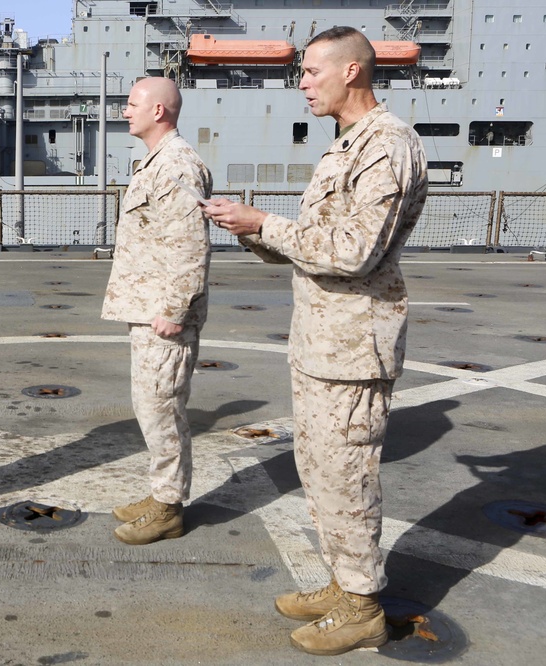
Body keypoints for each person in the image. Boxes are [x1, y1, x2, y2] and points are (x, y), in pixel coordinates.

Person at [203, 27, 428, 656]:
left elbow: (353, 254)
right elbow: (315, 244)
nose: (300, 83)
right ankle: (342, 582)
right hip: (322, 340)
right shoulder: (345, 147)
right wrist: (249, 230)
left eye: (310, 72)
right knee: (321, 471)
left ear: (351, 71)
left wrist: (264, 222)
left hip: (355, 347)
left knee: (348, 474)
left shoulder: (386, 146)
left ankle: (362, 607)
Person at [102, 77, 212, 546]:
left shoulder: (177, 165)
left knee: (162, 409)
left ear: (160, 111)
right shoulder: (154, 162)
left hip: (164, 316)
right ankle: (160, 493)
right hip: (147, 310)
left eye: (132, 105)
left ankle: (168, 507)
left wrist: (173, 309)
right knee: (151, 408)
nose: (126, 111)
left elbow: (191, 247)